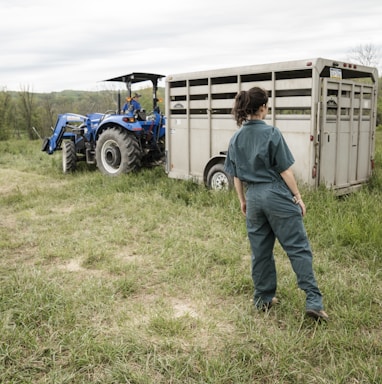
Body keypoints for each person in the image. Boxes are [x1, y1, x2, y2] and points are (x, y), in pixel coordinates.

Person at [224, 86, 328, 322]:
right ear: (262, 107)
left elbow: (236, 175)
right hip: (276, 194)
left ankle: (263, 298)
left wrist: (243, 200)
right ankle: (313, 301)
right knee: (297, 247)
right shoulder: (272, 133)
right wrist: (298, 197)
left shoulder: (236, 137)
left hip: (253, 198)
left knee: (260, 251)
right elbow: (285, 171)